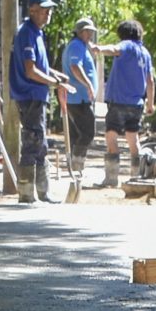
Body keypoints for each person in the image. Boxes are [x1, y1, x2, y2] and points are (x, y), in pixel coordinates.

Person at [8, 0, 72, 204]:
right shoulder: (26, 33)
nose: (48, 14)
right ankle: (27, 193)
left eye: (49, 10)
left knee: (40, 143)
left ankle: (43, 193)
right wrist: (54, 83)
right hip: (30, 96)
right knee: (32, 142)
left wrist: (56, 75)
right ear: (32, 10)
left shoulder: (36, 33)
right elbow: (30, 71)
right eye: (44, 10)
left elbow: (40, 67)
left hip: (37, 95)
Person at [101, 20, 156, 186]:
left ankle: (111, 178)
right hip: (137, 104)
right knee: (133, 139)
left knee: (111, 136)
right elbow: (151, 81)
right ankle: (135, 177)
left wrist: (98, 48)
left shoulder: (126, 45)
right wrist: (150, 104)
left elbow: (114, 49)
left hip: (118, 101)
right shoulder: (145, 53)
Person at [59, 16, 102, 203]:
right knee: (88, 132)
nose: (90, 33)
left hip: (77, 97)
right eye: (87, 31)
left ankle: (74, 169)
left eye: (91, 31)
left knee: (77, 134)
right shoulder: (76, 46)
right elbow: (75, 67)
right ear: (79, 31)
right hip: (79, 98)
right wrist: (88, 85)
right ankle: (76, 168)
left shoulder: (81, 46)